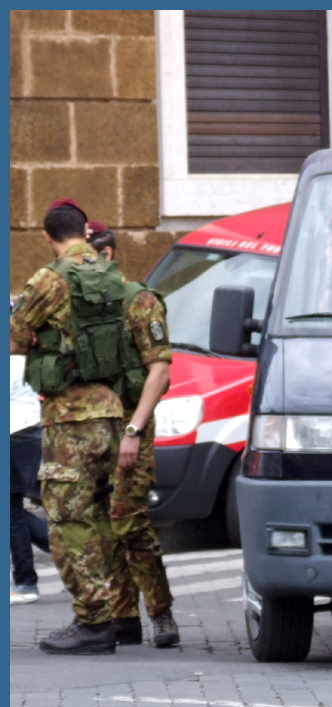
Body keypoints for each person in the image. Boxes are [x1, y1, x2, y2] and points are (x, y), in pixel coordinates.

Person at [10, 199, 125, 653]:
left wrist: (39, 337)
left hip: (71, 417)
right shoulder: (110, 275)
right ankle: (116, 611)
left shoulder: (50, 278)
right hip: (111, 411)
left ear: (47, 236)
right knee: (100, 516)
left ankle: (93, 622)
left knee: (67, 521)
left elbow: (16, 337)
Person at [87, 221, 179, 647]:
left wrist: (133, 430)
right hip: (91, 430)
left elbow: (159, 371)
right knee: (103, 524)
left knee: (128, 520)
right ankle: (123, 616)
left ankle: (161, 613)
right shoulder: (81, 305)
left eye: (88, 257)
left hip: (129, 425)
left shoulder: (139, 302)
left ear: (107, 255)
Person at [10, 326, 50, 605]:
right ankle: (69, 555)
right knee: (13, 511)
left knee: (11, 512)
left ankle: (26, 583)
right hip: (28, 433)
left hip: (14, 434)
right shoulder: (26, 358)